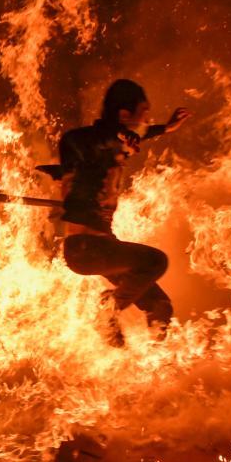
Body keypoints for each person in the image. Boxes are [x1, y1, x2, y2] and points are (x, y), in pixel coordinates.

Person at [49, 79, 190, 346]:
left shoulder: (117, 143)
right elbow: (84, 142)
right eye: (143, 113)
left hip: (104, 246)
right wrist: (114, 136)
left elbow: (132, 135)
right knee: (155, 261)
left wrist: (165, 128)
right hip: (84, 248)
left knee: (160, 305)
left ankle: (151, 364)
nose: (147, 120)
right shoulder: (84, 143)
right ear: (125, 116)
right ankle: (108, 307)